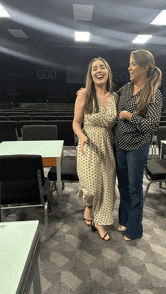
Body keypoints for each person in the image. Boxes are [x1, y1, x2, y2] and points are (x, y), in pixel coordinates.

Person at [114, 49, 163, 240]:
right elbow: (110, 98)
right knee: (123, 187)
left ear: (145, 68)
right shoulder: (126, 88)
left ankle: (134, 231)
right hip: (120, 144)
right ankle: (124, 220)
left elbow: (151, 125)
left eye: (133, 64)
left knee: (135, 189)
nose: (129, 67)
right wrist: (88, 92)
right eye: (130, 63)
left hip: (137, 147)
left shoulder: (153, 93)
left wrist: (129, 116)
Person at [73, 57, 118, 241]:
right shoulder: (84, 94)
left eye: (102, 67)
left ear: (108, 72)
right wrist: (82, 137)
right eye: (94, 68)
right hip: (88, 145)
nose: (98, 71)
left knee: (106, 187)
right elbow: (76, 123)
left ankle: (99, 221)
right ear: (90, 74)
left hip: (107, 146)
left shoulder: (115, 97)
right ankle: (89, 206)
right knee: (91, 188)